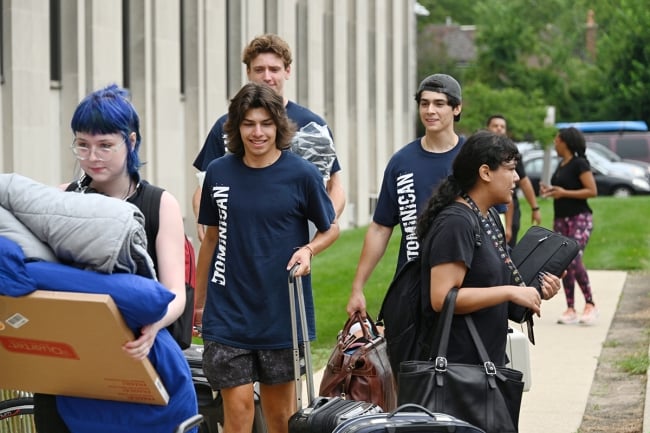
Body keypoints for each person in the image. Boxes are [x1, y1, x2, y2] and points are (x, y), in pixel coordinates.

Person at [33, 84, 196, 432]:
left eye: (105, 145)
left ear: (131, 142)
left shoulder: (158, 204)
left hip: (133, 355)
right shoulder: (61, 198)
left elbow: (175, 292)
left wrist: (153, 326)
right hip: (69, 361)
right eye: (82, 144)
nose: (92, 156)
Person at [195, 82, 339, 433]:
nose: (257, 132)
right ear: (236, 127)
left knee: (279, 418)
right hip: (229, 313)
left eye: (265, 123)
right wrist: (197, 303)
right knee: (239, 414)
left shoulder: (301, 175)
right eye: (248, 123)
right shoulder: (219, 172)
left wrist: (308, 250)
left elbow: (329, 228)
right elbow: (210, 239)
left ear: (278, 126)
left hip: (282, 314)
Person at [415, 131, 562, 431]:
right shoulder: (456, 222)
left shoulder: (488, 218)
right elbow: (441, 298)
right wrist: (509, 291)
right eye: (509, 168)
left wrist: (533, 292)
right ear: (485, 172)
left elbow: (495, 285)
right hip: (459, 372)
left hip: (487, 364)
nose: (516, 177)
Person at [192, 33, 345, 241]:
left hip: (293, 240)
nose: (267, 76)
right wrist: (205, 222)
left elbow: (334, 185)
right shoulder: (226, 125)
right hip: (236, 240)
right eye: (259, 69)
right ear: (248, 72)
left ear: (287, 71)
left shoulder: (313, 126)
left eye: (274, 69)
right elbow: (203, 186)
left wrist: (325, 224)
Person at [347, 73, 464, 317]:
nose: (430, 110)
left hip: (465, 287)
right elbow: (380, 228)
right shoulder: (402, 162)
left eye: (439, 104)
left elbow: (493, 225)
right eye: (424, 103)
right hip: (412, 286)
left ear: (456, 108)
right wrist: (358, 287)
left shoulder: (472, 158)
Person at [540, 127, 598, 325]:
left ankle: (590, 304)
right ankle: (571, 308)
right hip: (561, 219)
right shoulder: (561, 165)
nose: (555, 143)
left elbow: (592, 191)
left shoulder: (579, 163)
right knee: (565, 262)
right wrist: (551, 191)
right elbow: (562, 189)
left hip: (579, 217)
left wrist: (563, 193)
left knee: (574, 258)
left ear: (565, 142)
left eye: (557, 139)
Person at [486, 114, 542, 247]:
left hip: (507, 206)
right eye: (495, 126)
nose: (499, 129)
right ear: (487, 128)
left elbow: (523, 181)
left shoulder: (511, 153)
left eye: (502, 127)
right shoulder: (481, 152)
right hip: (486, 206)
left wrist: (535, 207)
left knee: (507, 248)